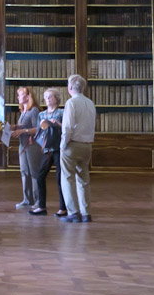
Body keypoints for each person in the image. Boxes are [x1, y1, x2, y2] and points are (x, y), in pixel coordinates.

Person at [60, 74, 96, 223]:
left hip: (72, 144)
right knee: (84, 179)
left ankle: (73, 212)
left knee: (67, 178)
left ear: (69, 88)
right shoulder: (90, 102)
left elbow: (68, 127)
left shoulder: (71, 103)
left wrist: (63, 144)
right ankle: (86, 212)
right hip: (87, 145)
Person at [28, 88, 67, 217]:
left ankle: (63, 207)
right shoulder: (41, 114)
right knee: (40, 176)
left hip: (59, 148)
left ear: (56, 98)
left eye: (50, 96)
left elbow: (67, 128)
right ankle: (41, 206)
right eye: (46, 97)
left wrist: (58, 124)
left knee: (60, 178)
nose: (48, 99)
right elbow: (39, 132)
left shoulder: (62, 112)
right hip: (46, 149)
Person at [11, 85, 42, 208]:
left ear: (28, 96)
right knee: (24, 171)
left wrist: (23, 131)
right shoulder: (23, 111)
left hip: (32, 145)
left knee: (34, 172)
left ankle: (38, 200)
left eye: (21, 94)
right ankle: (27, 199)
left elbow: (38, 128)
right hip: (23, 145)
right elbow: (23, 127)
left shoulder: (34, 110)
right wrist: (14, 127)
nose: (18, 96)